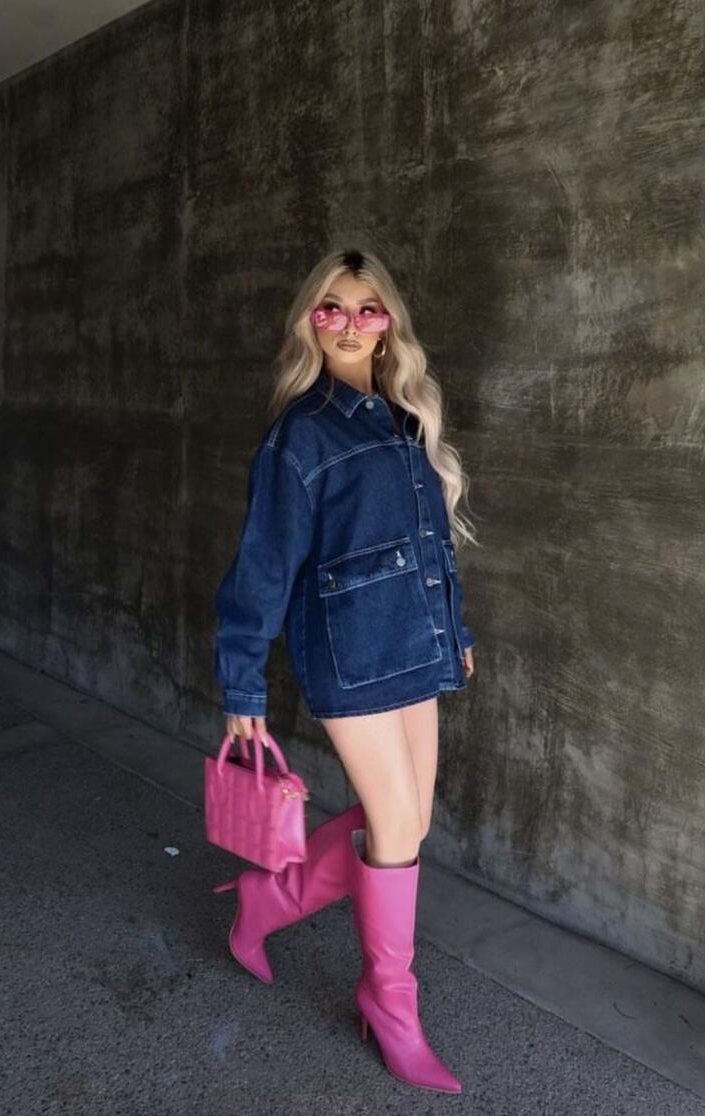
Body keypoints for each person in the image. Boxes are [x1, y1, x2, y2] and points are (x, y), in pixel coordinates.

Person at [212, 247, 477, 1094]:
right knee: (394, 827)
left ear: (388, 324)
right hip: (350, 653)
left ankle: (270, 899)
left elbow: (432, 543)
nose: (351, 324)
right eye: (332, 308)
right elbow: (263, 564)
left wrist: (456, 629)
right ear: (310, 322)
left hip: (418, 646)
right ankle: (390, 1003)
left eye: (368, 309)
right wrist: (242, 682)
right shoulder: (300, 434)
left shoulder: (404, 419)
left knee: (408, 824)